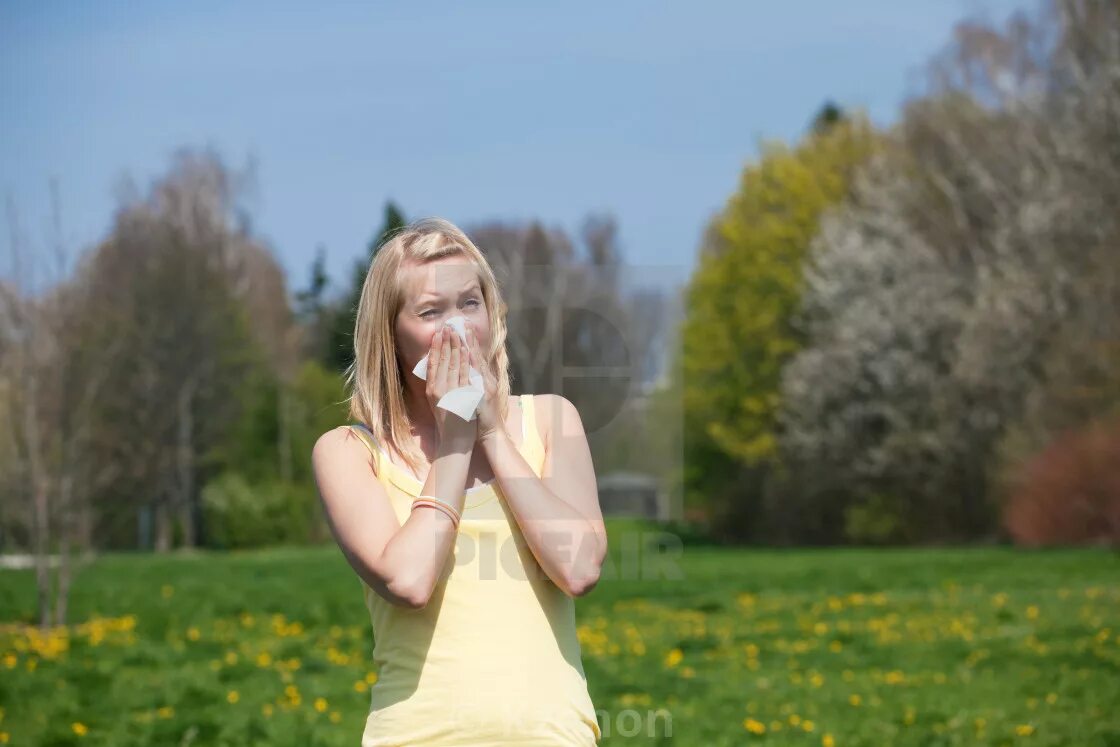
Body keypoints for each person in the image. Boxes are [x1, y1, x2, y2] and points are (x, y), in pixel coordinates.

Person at [311, 217, 607, 746]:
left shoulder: (552, 421)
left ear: (492, 312)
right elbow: (409, 581)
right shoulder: (350, 453)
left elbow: (579, 567)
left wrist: (491, 431)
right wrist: (455, 441)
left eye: (470, 303)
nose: (458, 330)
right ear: (390, 334)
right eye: (430, 312)